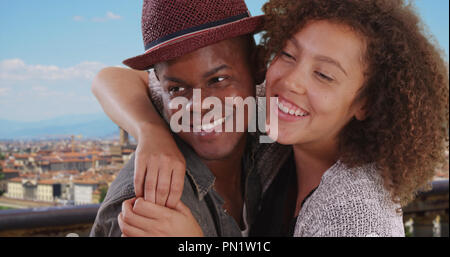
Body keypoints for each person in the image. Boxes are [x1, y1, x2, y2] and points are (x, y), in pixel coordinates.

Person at [94, 0, 449, 237]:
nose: (291, 81)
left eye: (324, 75)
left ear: (366, 102)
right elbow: (115, 78)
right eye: (288, 55)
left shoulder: (356, 216)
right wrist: (150, 132)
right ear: (267, 61)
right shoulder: (259, 114)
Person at [89, 0, 289, 237]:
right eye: (176, 89)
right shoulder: (147, 210)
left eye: (218, 80)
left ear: (258, 66)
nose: (199, 105)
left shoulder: (272, 124)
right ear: (160, 88)